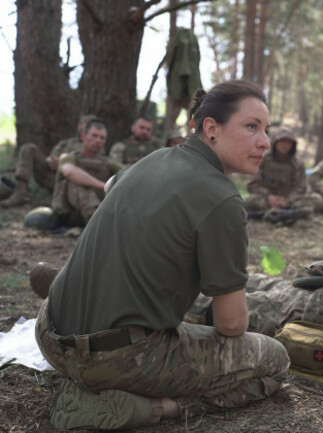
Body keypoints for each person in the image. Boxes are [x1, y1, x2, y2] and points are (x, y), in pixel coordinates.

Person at [34, 80, 289, 431]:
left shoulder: (153, 158)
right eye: (251, 127)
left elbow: (110, 185)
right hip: (116, 356)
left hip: (50, 333)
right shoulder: (223, 200)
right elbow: (231, 324)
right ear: (211, 128)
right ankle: (155, 408)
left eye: (266, 130)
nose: (265, 142)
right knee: (275, 358)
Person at [0, 114, 98, 208]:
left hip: (70, 183)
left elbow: (97, 168)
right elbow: (52, 156)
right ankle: (20, 190)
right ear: (79, 127)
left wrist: (63, 165)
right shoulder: (66, 143)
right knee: (28, 148)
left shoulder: (97, 147)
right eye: (86, 126)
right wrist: (51, 162)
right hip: (51, 176)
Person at [50, 121, 123, 227]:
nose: (98, 140)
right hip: (69, 214)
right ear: (83, 136)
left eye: (102, 138)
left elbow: (129, 174)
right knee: (80, 185)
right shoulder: (68, 157)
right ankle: (99, 225)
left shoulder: (108, 163)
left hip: (101, 211)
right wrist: (103, 186)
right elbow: (69, 171)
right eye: (94, 136)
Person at [245, 125, 318, 214]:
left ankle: (284, 211)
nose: (285, 145)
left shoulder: (297, 163)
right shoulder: (263, 160)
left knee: (314, 200)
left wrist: (288, 200)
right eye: (282, 141)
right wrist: (269, 197)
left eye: (288, 142)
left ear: (293, 144)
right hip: (266, 199)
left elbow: (301, 186)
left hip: (290, 201)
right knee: (250, 201)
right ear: (275, 143)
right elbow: (252, 184)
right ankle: (278, 211)